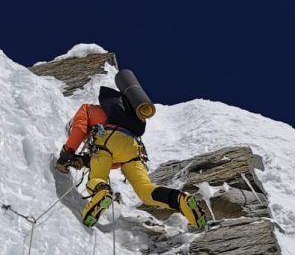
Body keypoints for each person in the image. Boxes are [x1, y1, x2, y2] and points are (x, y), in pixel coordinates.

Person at [56, 84, 207, 230]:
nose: (85, 143)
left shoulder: (87, 109)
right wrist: (84, 161)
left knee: (96, 179)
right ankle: (180, 200)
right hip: (134, 148)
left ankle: (101, 193)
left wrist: (65, 156)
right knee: (145, 190)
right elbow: (115, 162)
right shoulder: (118, 116)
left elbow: (79, 131)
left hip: (107, 139)